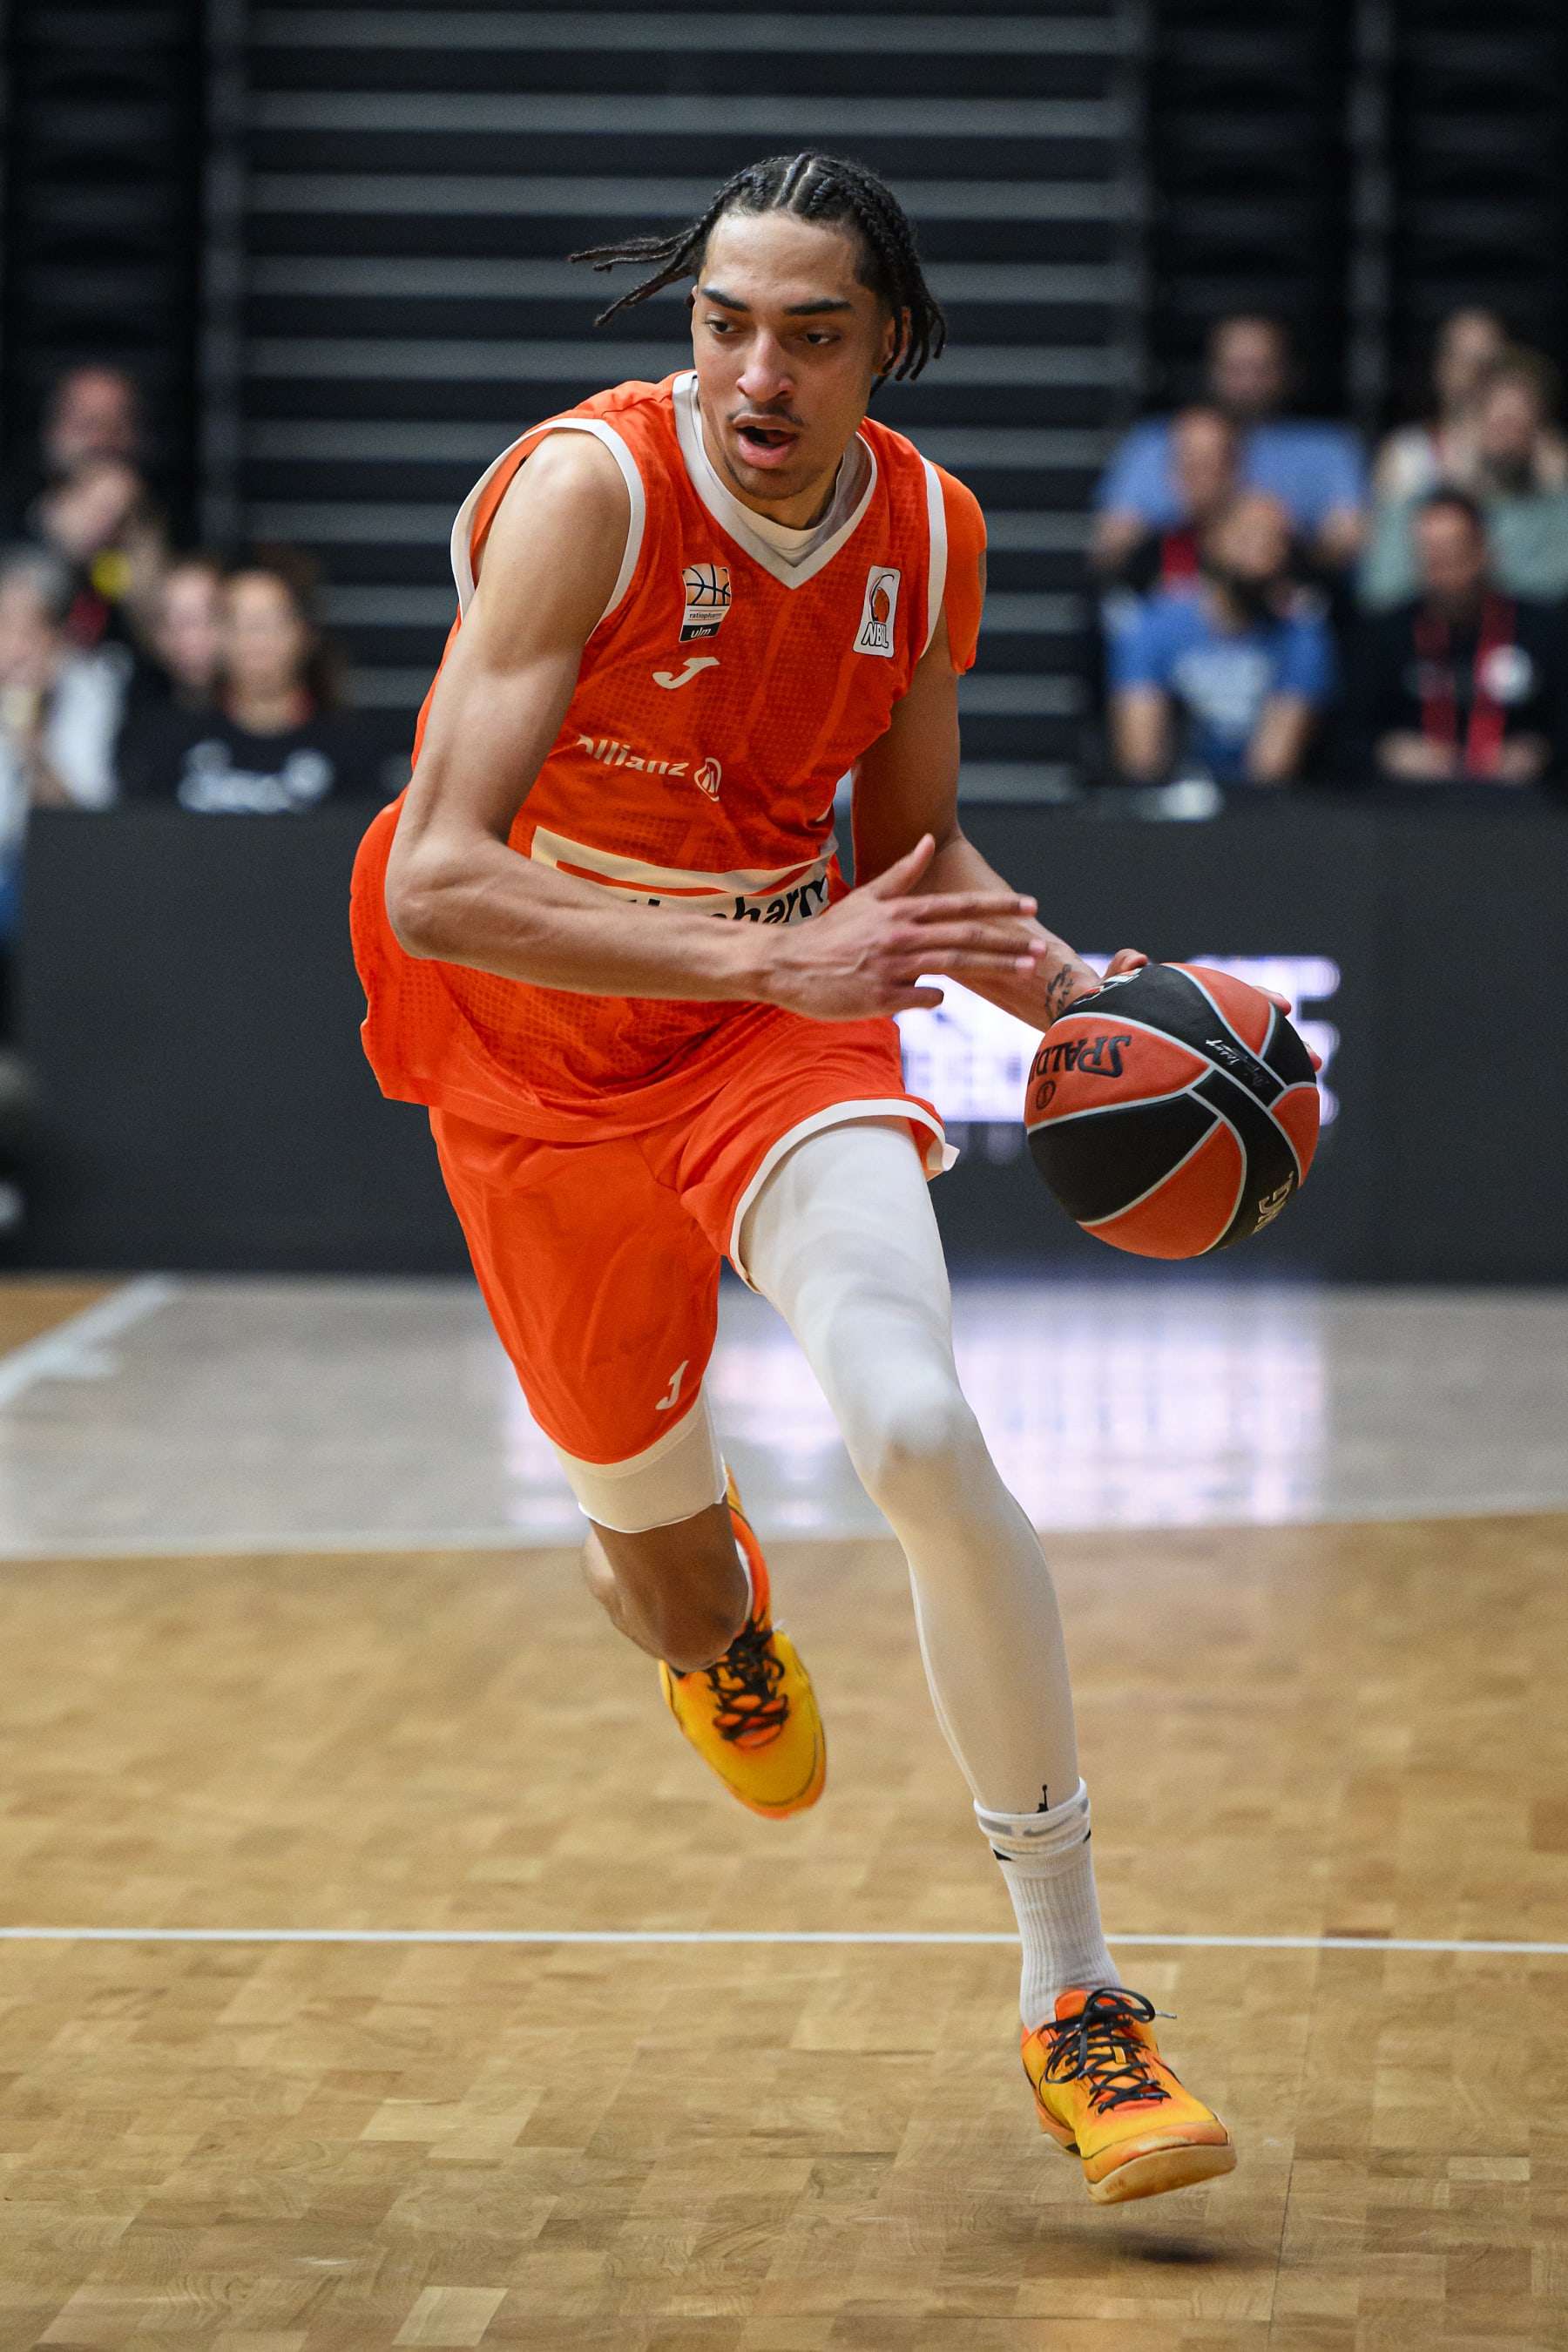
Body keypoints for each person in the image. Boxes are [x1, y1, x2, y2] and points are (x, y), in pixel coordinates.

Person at [351, 150, 1251, 2207]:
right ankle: (717, 1610)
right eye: (722, 320)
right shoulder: (593, 494)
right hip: (530, 1022)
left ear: (888, 348)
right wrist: (778, 947)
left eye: (811, 330)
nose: (758, 366)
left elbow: (909, 853)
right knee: (665, 1583)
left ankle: (1077, 1997)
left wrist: (1057, 977)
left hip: (778, 1030)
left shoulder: (929, 538)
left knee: (923, 1424)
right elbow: (439, 876)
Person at [1095, 316, 1367, 574]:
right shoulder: (1155, 440)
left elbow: (1349, 545)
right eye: (1236, 368)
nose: (1248, 383)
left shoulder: (1327, 445)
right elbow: (1110, 547)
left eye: (1262, 368)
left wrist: (1268, 544)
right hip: (1176, 586)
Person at [119, 551, 382, 810]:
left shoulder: (350, 749)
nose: (256, 640)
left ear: (306, 633)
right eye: (239, 623)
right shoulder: (168, 743)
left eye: (269, 622)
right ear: (218, 634)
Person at [1109, 492, 1335, 787]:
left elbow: (1273, 770)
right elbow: (1141, 760)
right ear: (1213, 541)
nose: (1264, 555)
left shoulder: (1301, 637)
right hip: (1169, 807)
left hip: (1261, 817)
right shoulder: (1153, 626)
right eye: (1249, 537)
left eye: (1276, 541)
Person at [1347, 490, 1568, 789]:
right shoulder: (1385, 634)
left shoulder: (1543, 629)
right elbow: (1345, 739)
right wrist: (1390, 752)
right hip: (1410, 810)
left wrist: (1541, 753)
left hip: (1522, 809)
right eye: (1430, 552)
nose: (1443, 565)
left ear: (1484, 551)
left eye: (1454, 550)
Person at [1362, 353, 1568, 609]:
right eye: (1499, 422)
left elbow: (1555, 589)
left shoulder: (1555, 510)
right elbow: (1381, 591)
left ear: (1540, 431)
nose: (1507, 438)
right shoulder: (1420, 506)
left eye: (1519, 424)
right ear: (1469, 421)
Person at [0, 546, 125, 956]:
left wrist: (31, 742)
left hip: (60, 880)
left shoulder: (90, 687)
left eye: (29, 631)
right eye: (4, 629)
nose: (16, 649)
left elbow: (86, 824)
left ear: (55, 638)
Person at [1091, 404, 1240, 597]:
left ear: (1234, 468)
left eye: (1208, 463)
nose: (1195, 477)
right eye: (1187, 463)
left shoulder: (1268, 552)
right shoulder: (1150, 553)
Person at [1373, 308, 1511, 504]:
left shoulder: (1533, 455)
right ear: (1441, 367)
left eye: (1486, 363)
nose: (1475, 373)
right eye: (1464, 360)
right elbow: (1391, 529)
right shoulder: (1406, 453)